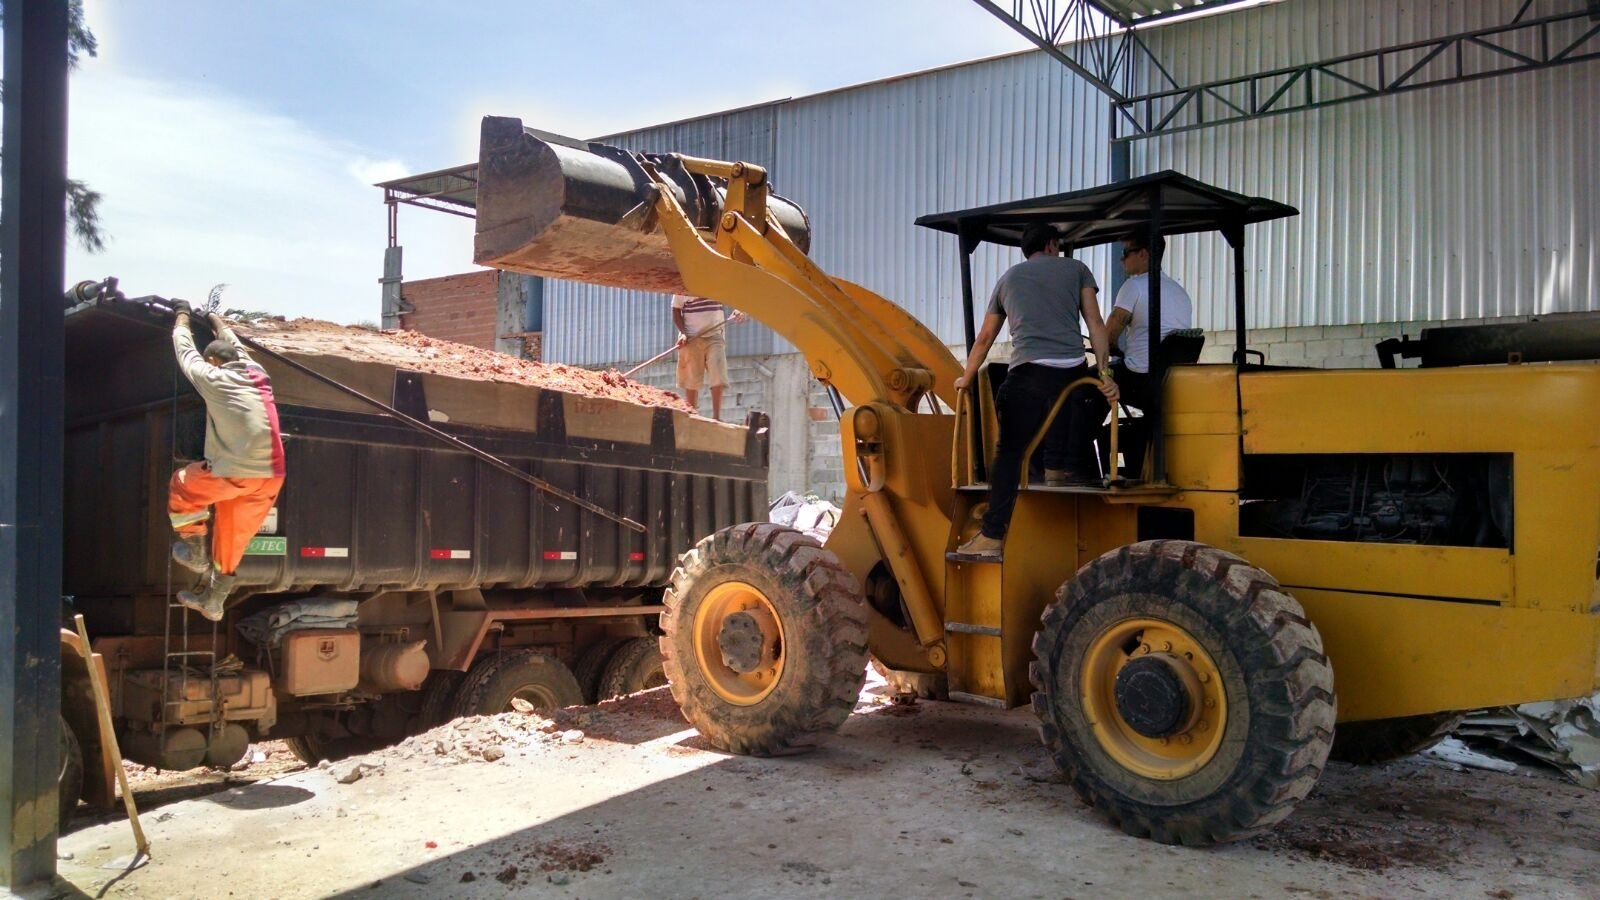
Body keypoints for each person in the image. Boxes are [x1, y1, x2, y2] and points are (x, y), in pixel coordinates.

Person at [952, 224, 1118, 560]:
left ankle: (993, 533)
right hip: (1072, 372)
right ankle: (1056, 474)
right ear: (1053, 244)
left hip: (1028, 372)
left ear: (1027, 250)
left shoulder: (1009, 279)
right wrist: (1104, 374)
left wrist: (966, 378)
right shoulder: (1077, 270)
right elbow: (1096, 324)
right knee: (1062, 406)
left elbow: (984, 339)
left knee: (1010, 451)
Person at [167, 300, 286, 621]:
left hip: (236, 471)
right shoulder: (259, 374)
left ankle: (194, 551)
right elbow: (235, 345)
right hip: (271, 476)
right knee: (232, 537)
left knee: (182, 486)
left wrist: (181, 316)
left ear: (213, 361)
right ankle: (213, 601)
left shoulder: (212, 377)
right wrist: (217, 321)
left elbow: (185, 351)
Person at [1075, 234, 1194, 476]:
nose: (1121, 260)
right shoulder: (1179, 291)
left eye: (1126, 253)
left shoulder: (1134, 286)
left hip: (1140, 376)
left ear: (1143, 254)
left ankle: (1079, 464)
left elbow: (1107, 337)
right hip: (1167, 380)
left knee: (1083, 386)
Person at [672, 294, 736, 420]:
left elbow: (735, 294)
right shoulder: (682, 285)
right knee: (692, 377)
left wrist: (739, 310)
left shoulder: (716, 281)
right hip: (691, 336)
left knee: (718, 370)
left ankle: (717, 417)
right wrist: (683, 333)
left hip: (715, 335)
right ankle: (692, 415)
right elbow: (675, 309)